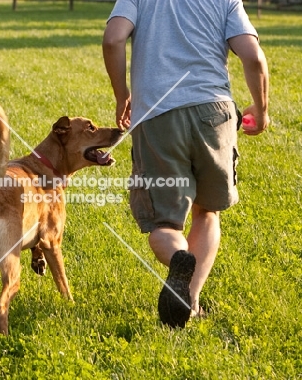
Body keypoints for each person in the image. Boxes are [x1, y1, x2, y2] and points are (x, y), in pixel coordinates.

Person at [103, 0, 269, 328]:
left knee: (164, 224)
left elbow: (113, 39)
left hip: (157, 116)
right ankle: (190, 301)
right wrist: (261, 110)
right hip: (215, 113)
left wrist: (122, 96)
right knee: (207, 212)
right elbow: (252, 56)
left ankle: (181, 261)